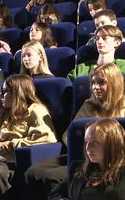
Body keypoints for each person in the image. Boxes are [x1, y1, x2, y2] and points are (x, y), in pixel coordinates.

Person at [25, 63, 125, 200]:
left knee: (50, 176)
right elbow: (68, 136)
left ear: (114, 83)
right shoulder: (89, 105)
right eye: (93, 82)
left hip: (109, 159)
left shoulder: (123, 107)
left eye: (101, 82)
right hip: (80, 154)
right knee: (32, 172)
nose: (95, 87)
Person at [50, 118, 125, 200]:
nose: (88, 148)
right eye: (86, 142)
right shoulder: (77, 169)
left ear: (111, 145)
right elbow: (55, 194)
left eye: (95, 142)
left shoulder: (122, 173)